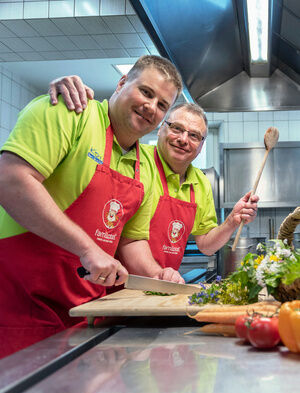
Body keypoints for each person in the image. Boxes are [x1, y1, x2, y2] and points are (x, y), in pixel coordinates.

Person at [0, 55, 184, 358]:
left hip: (84, 315)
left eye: (163, 105)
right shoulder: (69, 111)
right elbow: (11, 180)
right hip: (20, 305)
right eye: (146, 92)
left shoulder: (147, 167)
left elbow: (132, 240)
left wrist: (159, 276)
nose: (152, 107)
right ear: (122, 83)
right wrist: (87, 249)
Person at [49, 78, 259, 274]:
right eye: (176, 128)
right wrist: (72, 90)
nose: (183, 139)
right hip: (114, 282)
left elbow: (205, 244)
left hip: (159, 289)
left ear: (201, 145)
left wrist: (232, 220)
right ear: (160, 130)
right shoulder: (134, 159)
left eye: (194, 135)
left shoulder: (200, 183)